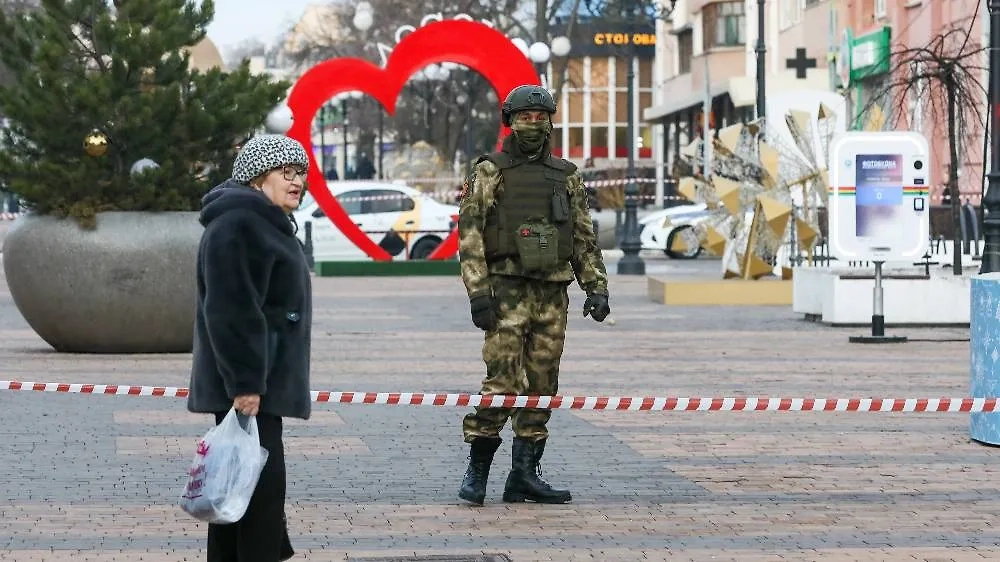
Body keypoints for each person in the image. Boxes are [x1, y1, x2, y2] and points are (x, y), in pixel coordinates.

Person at [456, 85, 611, 506]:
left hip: (551, 293)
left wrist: (596, 286)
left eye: (540, 118)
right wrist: (478, 292)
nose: (533, 124)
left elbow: (582, 236)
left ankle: (524, 474)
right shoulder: (490, 171)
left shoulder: (566, 175)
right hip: (505, 291)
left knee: (542, 383)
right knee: (503, 380)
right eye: (524, 117)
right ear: (510, 121)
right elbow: (469, 236)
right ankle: (477, 470)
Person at [187, 134, 314, 561]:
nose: (297, 181)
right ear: (257, 178)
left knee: (237, 495)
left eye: (301, 173)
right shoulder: (240, 224)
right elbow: (231, 310)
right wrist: (245, 384)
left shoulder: (263, 221)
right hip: (249, 387)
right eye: (286, 172)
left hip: (262, 384)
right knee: (256, 499)